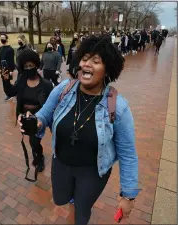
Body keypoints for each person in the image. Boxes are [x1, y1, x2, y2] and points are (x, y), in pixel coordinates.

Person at [19, 35, 140, 225]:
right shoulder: (63, 90)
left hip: (92, 172)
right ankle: (73, 205)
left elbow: (128, 153)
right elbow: (44, 114)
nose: (87, 64)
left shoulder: (117, 106)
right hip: (61, 163)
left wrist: (128, 195)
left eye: (96, 61)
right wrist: (35, 122)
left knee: (82, 212)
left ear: (107, 68)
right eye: (85, 58)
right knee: (62, 199)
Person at [2, 49, 53, 173]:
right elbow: (10, 92)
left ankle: (39, 158)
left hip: (38, 118)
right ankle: (37, 154)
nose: (29, 68)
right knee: (32, 140)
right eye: (26, 66)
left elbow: (51, 105)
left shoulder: (46, 85)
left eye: (31, 65)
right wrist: (6, 80)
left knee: (34, 141)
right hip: (24, 116)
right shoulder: (21, 80)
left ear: (36, 64)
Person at [0, 33, 15, 101]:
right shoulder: (1, 48)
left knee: (7, 82)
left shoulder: (10, 49)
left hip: (8, 68)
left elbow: (12, 60)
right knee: (4, 81)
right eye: (1, 38)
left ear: (6, 39)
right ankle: (13, 91)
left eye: (3, 38)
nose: (2, 39)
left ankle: (10, 95)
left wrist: (11, 70)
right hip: (2, 68)